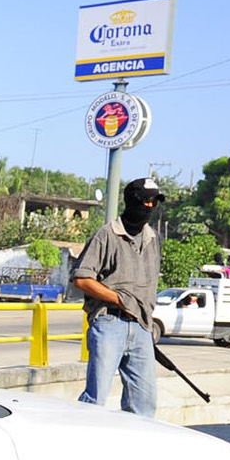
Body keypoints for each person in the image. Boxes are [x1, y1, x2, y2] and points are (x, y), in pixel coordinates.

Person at [71, 176, 165, 418]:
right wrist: (118, 299)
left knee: (144, 404)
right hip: (109, 322)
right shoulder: (107, 235)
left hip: (142, 327)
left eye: (154, 202)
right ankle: (78, 434)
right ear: (132, 201)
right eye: (145, 201)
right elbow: (81, 278)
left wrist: (146, 319)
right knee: (96, 398)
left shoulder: (153, 239)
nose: (150, 207)